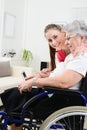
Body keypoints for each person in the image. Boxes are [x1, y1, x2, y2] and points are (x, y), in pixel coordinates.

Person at [1, 20, 87, 130]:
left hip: (60, 97)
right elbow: (59, 75)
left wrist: (34, 82)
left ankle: (14, 123)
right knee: (14, 94)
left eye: (69, 38)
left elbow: (63, 82)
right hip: (55, 93)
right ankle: (14, 122)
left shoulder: (81, 57)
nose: (66, 42)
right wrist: (40, 77)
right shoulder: (72, 55)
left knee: (15, 96)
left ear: (81, 38)